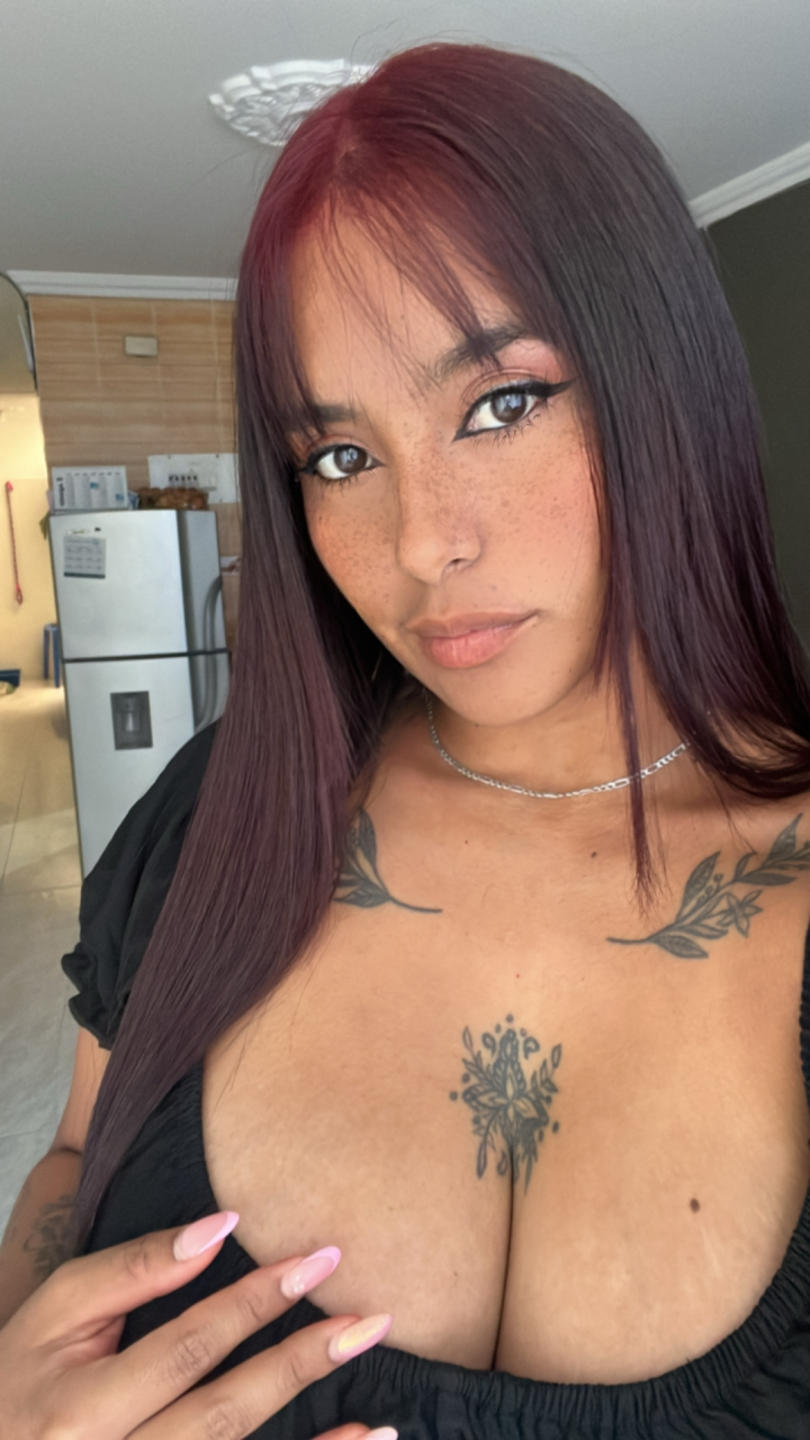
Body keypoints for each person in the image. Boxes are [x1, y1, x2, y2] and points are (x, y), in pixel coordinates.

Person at [2, 37, 810, 1440]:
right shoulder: (216, 814)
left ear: (663, 381)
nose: (423, 543)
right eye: (340, 456)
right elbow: (78, 1150)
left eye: (501, 404)